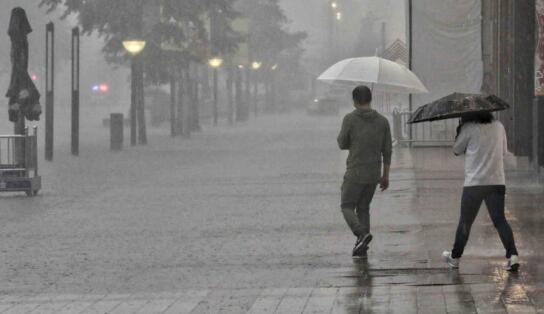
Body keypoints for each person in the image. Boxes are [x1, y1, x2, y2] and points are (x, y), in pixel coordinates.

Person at [442, 111, 519, 271]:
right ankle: (513, 256)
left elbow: (456, 149)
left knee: (465, 222)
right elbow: (504, 152)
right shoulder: (498, 126)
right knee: (500, 220)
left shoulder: (469, 128)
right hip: (496, 182)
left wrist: (460, 130)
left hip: (474, 184)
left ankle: (455, 258)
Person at [337, 85, 392, 258]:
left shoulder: (350, 119)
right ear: (370, 99)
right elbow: (388, 151)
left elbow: (342, 143)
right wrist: (385, 176)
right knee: (363, 208)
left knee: (346, 206)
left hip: (355, 172)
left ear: (354, 101)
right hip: (373, 174)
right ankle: (362, 246)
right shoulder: (383, 121)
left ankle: (361, 234)